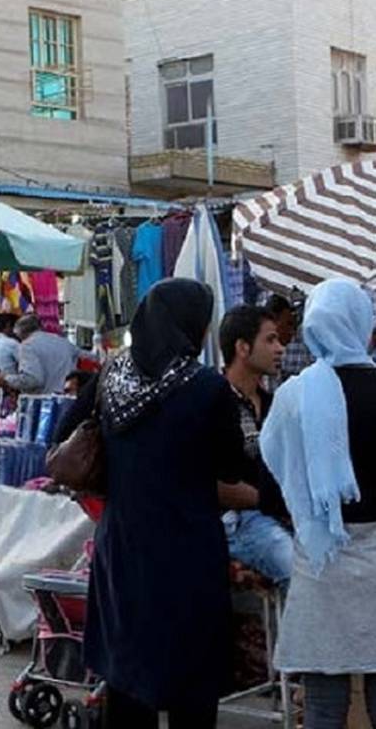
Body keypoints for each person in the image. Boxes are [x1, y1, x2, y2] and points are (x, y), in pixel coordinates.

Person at [259, 279, 376, 729]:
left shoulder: (293, 397)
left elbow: (272, 487)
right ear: (363, 325)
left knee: (324, 706)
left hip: (321, 563)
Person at [54, 279, 244, 727]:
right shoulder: (207, 388)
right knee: (191, 682)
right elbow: (231, 467)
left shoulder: (111, 377)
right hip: (188, 552)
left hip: (123, 547)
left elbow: (64, 433)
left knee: (128, 676)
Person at [218, 305, 293, 586]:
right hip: (236, 521)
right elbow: (217, 485)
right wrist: (275, 503)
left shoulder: (274, 403)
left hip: (275, 516)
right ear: (243, 347)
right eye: (270, 340)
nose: (280, 348)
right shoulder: (216, 401)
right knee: (297, 569)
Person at [0, 314, 81, 395]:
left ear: (21, 333)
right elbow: (86, 357)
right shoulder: (63, 342)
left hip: (44, 399)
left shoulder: (28, 346)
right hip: (68, 397)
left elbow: (32, 380)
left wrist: (5, 379)